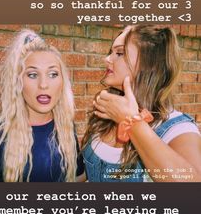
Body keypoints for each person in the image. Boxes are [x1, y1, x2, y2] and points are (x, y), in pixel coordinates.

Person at [82, 25, 201, 182]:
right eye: (111, 52)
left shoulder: (177, 128)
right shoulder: (105, 116)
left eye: (119, 53)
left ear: (150, 64)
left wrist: (132, 121)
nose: (107, 59)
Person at [0, 29, 84, 182]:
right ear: (17, 81)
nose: (43, 85)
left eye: (52, 74)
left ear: (62, 81)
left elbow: (77, 178)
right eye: (32, 74)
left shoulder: (66, 129)